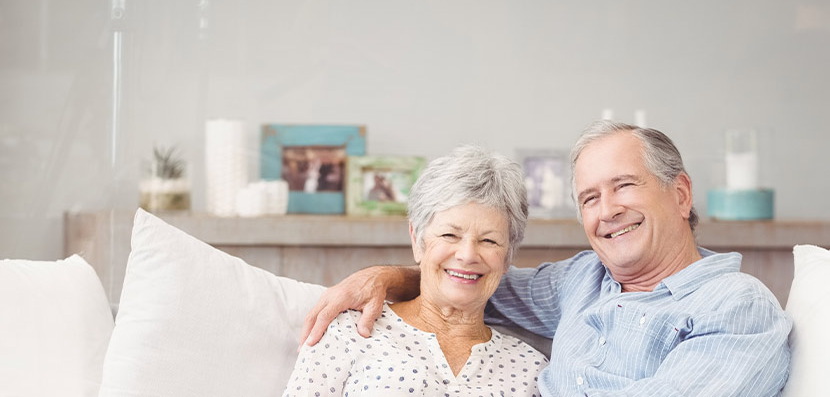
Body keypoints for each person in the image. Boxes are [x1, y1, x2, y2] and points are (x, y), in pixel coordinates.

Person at [299, 121, 792, 396]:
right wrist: (383, 277)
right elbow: (468, 277)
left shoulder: (736, 306)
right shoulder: (582, 280)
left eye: (624, 186)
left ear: (681, 194)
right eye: (589, 198)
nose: (608, 210)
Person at [283, 145, 548, 396]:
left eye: (489, 240)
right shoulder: (348, 331)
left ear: (507, 257)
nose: (467, 255)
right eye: (449, 235)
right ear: (417, 240)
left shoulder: (531, 369)